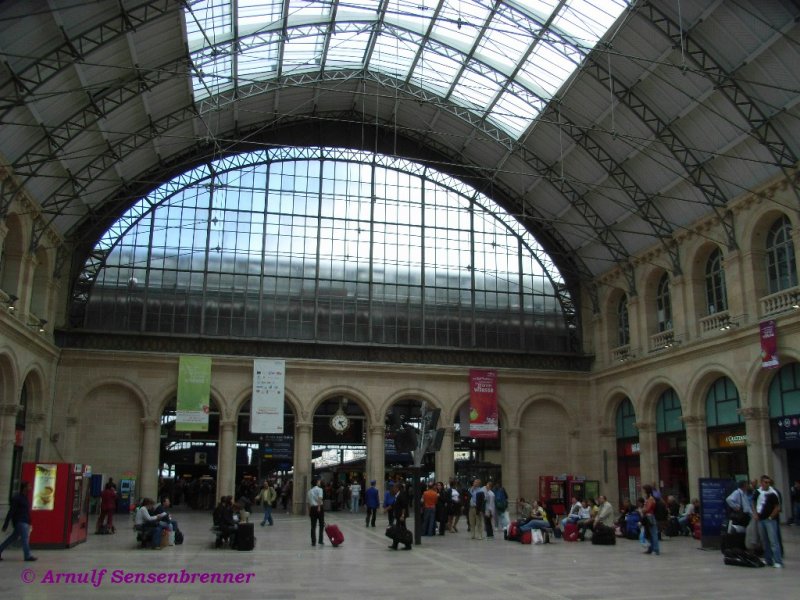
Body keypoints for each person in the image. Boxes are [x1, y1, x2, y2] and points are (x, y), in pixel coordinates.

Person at [0, 481, 37, 561]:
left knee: (12, 538)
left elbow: (26, 511)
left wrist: (29, 521)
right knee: (25, 538)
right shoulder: (17, 498)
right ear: (24, 488)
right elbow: (11, 511)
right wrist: (6, 524)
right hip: (20, 521)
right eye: (29, 486)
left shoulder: (25, 498)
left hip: (25, 521)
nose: (30, 488)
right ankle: (27, 556)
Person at [752, 474, 783, 568]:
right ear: (761, 483)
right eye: (765, 482)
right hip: (761, 519)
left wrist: (771, 517)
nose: (767, 484)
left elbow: (777, 507)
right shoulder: (757, 492)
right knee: (765, 541)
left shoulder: (773, 493)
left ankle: (778, 561)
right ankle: (768, 559)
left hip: (770, 520)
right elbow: (753, 502)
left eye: (768, 482)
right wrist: (755, 514)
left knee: (773, 541)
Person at [389, 483, 412, 550]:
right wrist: (387, 509)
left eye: (394, 488)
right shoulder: (397, 495)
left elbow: (404, 506)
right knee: (399, 530)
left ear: (397, 488)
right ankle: (396, 544)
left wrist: (402, 515)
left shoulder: (401, 495)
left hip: (401, 517)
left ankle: (406, 545)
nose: (393, 489)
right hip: (398, 516)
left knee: (401, 530)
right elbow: (394, 505)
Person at [642, 484, 659, 556]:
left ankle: (655, 549)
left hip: (650, 517)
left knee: (653, 534)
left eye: (644, 490)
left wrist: (643, 510)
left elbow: (648, 508)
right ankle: (651, 548)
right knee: (649, 534)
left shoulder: (651, 499)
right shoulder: (648, 498)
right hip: (647, 516)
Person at [307, 479, 325, 546]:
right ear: (317, 482)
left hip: (312, 509)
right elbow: (320, 498)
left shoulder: (309, 491)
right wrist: (319, 507)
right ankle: (320, 540)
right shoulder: (320, 489)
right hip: (319, 508)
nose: (319, 482)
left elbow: (308, 503)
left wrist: (309, 512)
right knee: (321, 525)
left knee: (313, 526)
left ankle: (313, 542)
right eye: (319, 481)